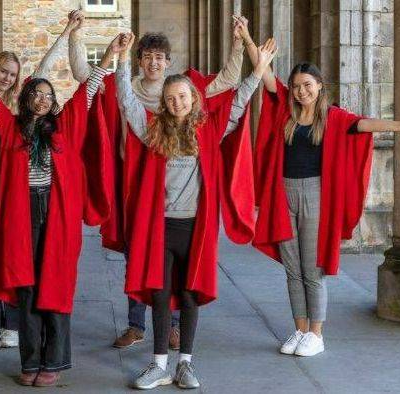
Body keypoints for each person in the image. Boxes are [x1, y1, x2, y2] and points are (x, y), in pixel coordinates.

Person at [71, 16, 253, 350]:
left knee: (172, 259)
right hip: (131, 178)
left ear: (168, 63)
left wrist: (240, 44)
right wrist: (76, 35)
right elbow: (86, 76)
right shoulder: (123, 87)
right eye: (148, 56)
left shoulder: (183, 92)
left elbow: (229, 84)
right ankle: (137, 324)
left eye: (160, 57)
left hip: (171, 183)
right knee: (136, 252)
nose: (154, 62)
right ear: (139, 60)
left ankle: (170, 325)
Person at [252, 38, 400, 357]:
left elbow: (363, 125)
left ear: (320, 86)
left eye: (307, 85)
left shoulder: (332, 117)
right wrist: (247, 41)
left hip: (315, 195)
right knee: (292, 268)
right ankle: (300, 329)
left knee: (313, 267)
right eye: (296, 86)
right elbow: (265, 73)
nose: (300, 91)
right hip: (284, 193)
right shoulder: (285, 110)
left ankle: (317, 333)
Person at [116, 32, 275, 389]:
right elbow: (127, 102)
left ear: (193, 98)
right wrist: (123, 60)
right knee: (159, 293)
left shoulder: (208, 130)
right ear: (165, 103)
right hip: (161, 226)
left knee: (188, 294)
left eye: (183, 96)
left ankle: (185, 363)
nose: (177, 102)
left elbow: (237, 102)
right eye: (171, 98)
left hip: (194, 227)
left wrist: (258, 69)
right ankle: (158, 364)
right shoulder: (153, 131)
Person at [0, 21, 113, 387]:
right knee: (26, 285)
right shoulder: (10, 128)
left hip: (57, 215)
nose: (43, 98)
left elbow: (88, 90)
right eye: (37, 93)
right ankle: (30, 360)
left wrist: (110, 56)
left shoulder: (65, 128)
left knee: (55, 283)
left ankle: (55, 360)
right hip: (22, 214)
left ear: (52, 102)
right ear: (28, 97)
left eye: (49, 95)